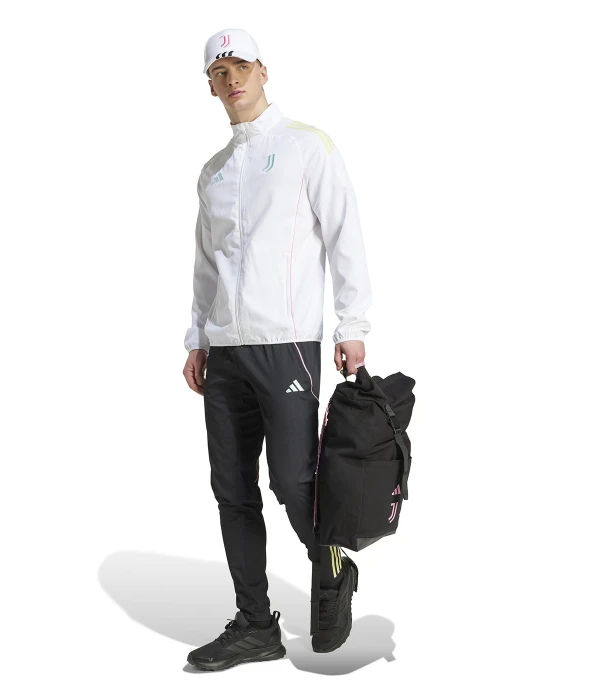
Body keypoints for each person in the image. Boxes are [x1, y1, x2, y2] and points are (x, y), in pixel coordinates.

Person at [183, 28, 373, 671]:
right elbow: (205, 265)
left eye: (241, 66)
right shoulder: (212, 172)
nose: (231, 79)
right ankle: (256, 624)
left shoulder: (306, 147)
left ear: (263, 71)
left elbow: (344, 233)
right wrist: (197, 338)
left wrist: (352, 323)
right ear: (210, 86)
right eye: (219, 72)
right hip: (226, 352)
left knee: (295, 482)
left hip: (287, 343)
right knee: (232, 489)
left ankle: (332, 568)